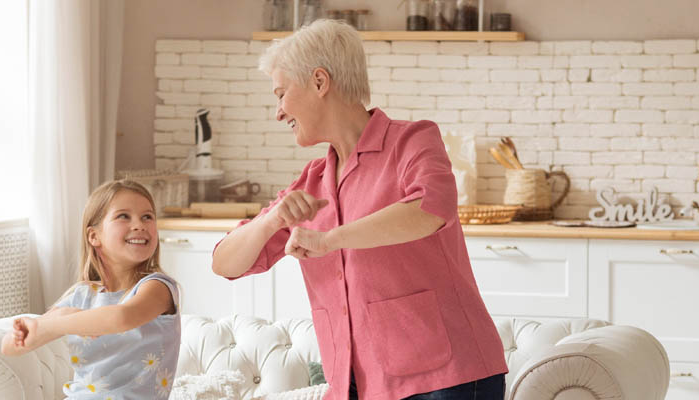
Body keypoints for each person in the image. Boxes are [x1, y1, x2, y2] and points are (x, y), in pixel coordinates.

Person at [210, 19, 507, 400]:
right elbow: (224, 263)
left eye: (281, 94)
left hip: (448, 379)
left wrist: (330, 239)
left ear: (320, 82)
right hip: (358, 385)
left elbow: (429, 209)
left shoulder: (412, 140)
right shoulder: (311, 182)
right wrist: (271, 221)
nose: (279, 112)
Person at [2, 180, 181, 399]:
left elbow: (121, 318)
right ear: (94, 236)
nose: (139, 225)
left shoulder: (158, 287)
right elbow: (10, 348)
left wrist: (59, 322)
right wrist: (27, 332)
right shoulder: (81, 295)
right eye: (124, 216)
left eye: (147, 216)